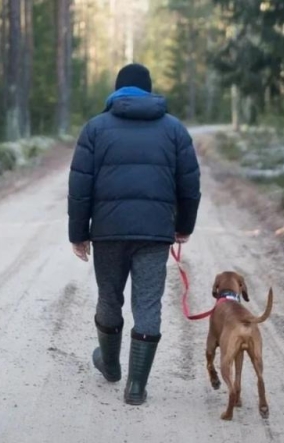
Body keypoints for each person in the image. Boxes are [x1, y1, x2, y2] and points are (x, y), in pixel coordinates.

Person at [67, 63, 201, 405]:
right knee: (148, 303)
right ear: (149, 91)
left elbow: (80, 188)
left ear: (117, 90)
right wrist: (184, 225)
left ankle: (111, 365)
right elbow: (190, 185)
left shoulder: (95, 129)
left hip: (109, 232)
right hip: (155, 233)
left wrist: (78, 233)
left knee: (109, 297)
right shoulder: (174, 130)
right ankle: (136, 387)